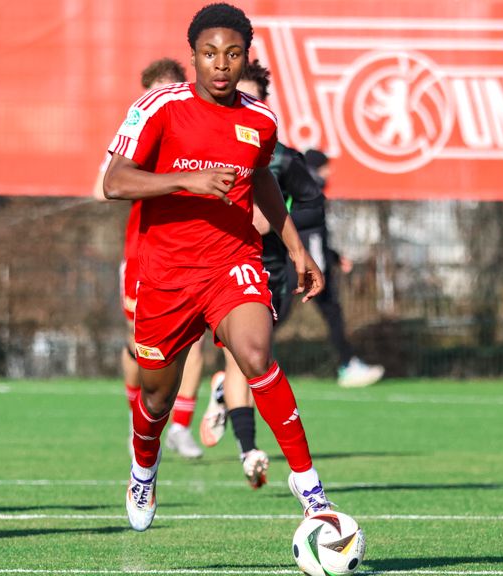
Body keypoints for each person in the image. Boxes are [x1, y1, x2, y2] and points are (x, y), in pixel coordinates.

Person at [103, 3, 333, 531]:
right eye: (210, 54)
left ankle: (310, 487)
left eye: (232, 54)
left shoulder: (260, 119)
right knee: (156, 395)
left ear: (245, 57)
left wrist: (297, 249)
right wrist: (187, 181)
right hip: (167, 273)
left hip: (233, 260)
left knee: (255, 354)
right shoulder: (160, 106)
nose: (221, 64)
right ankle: (144, 466)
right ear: (194, 58)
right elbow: (117, 181)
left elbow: (265, 183)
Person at [198, 59, 328, 489]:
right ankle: (249, 449)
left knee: (254, 358)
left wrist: (276, 221)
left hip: (273, 269)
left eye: (249, 94)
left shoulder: (282, 159)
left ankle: (224, 398)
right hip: (225, 264)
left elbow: (312, 203)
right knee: (243, 357)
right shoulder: (205, 146)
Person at [93, 58, 204, 460]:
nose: (163, 97)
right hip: (145, 254)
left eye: (170, 88)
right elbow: (104, 186)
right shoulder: (140, 134)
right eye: (155, 90)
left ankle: (180, 427)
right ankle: (136, 420)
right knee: (141, 345)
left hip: (195, 254)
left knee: (194, 343)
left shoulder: (196, 128)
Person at [300, 149, 385, 388]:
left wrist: (334, 257)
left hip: (301, 260)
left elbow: (311, 233)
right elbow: (310, 233)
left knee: (277, 313)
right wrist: (319, 266)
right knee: (281, 313)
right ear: (317, 168)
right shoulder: (310, 189)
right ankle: (348, 365)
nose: (330, 173)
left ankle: (348, 363)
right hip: (307, 265)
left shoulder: (302, 188)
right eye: (327, 167)